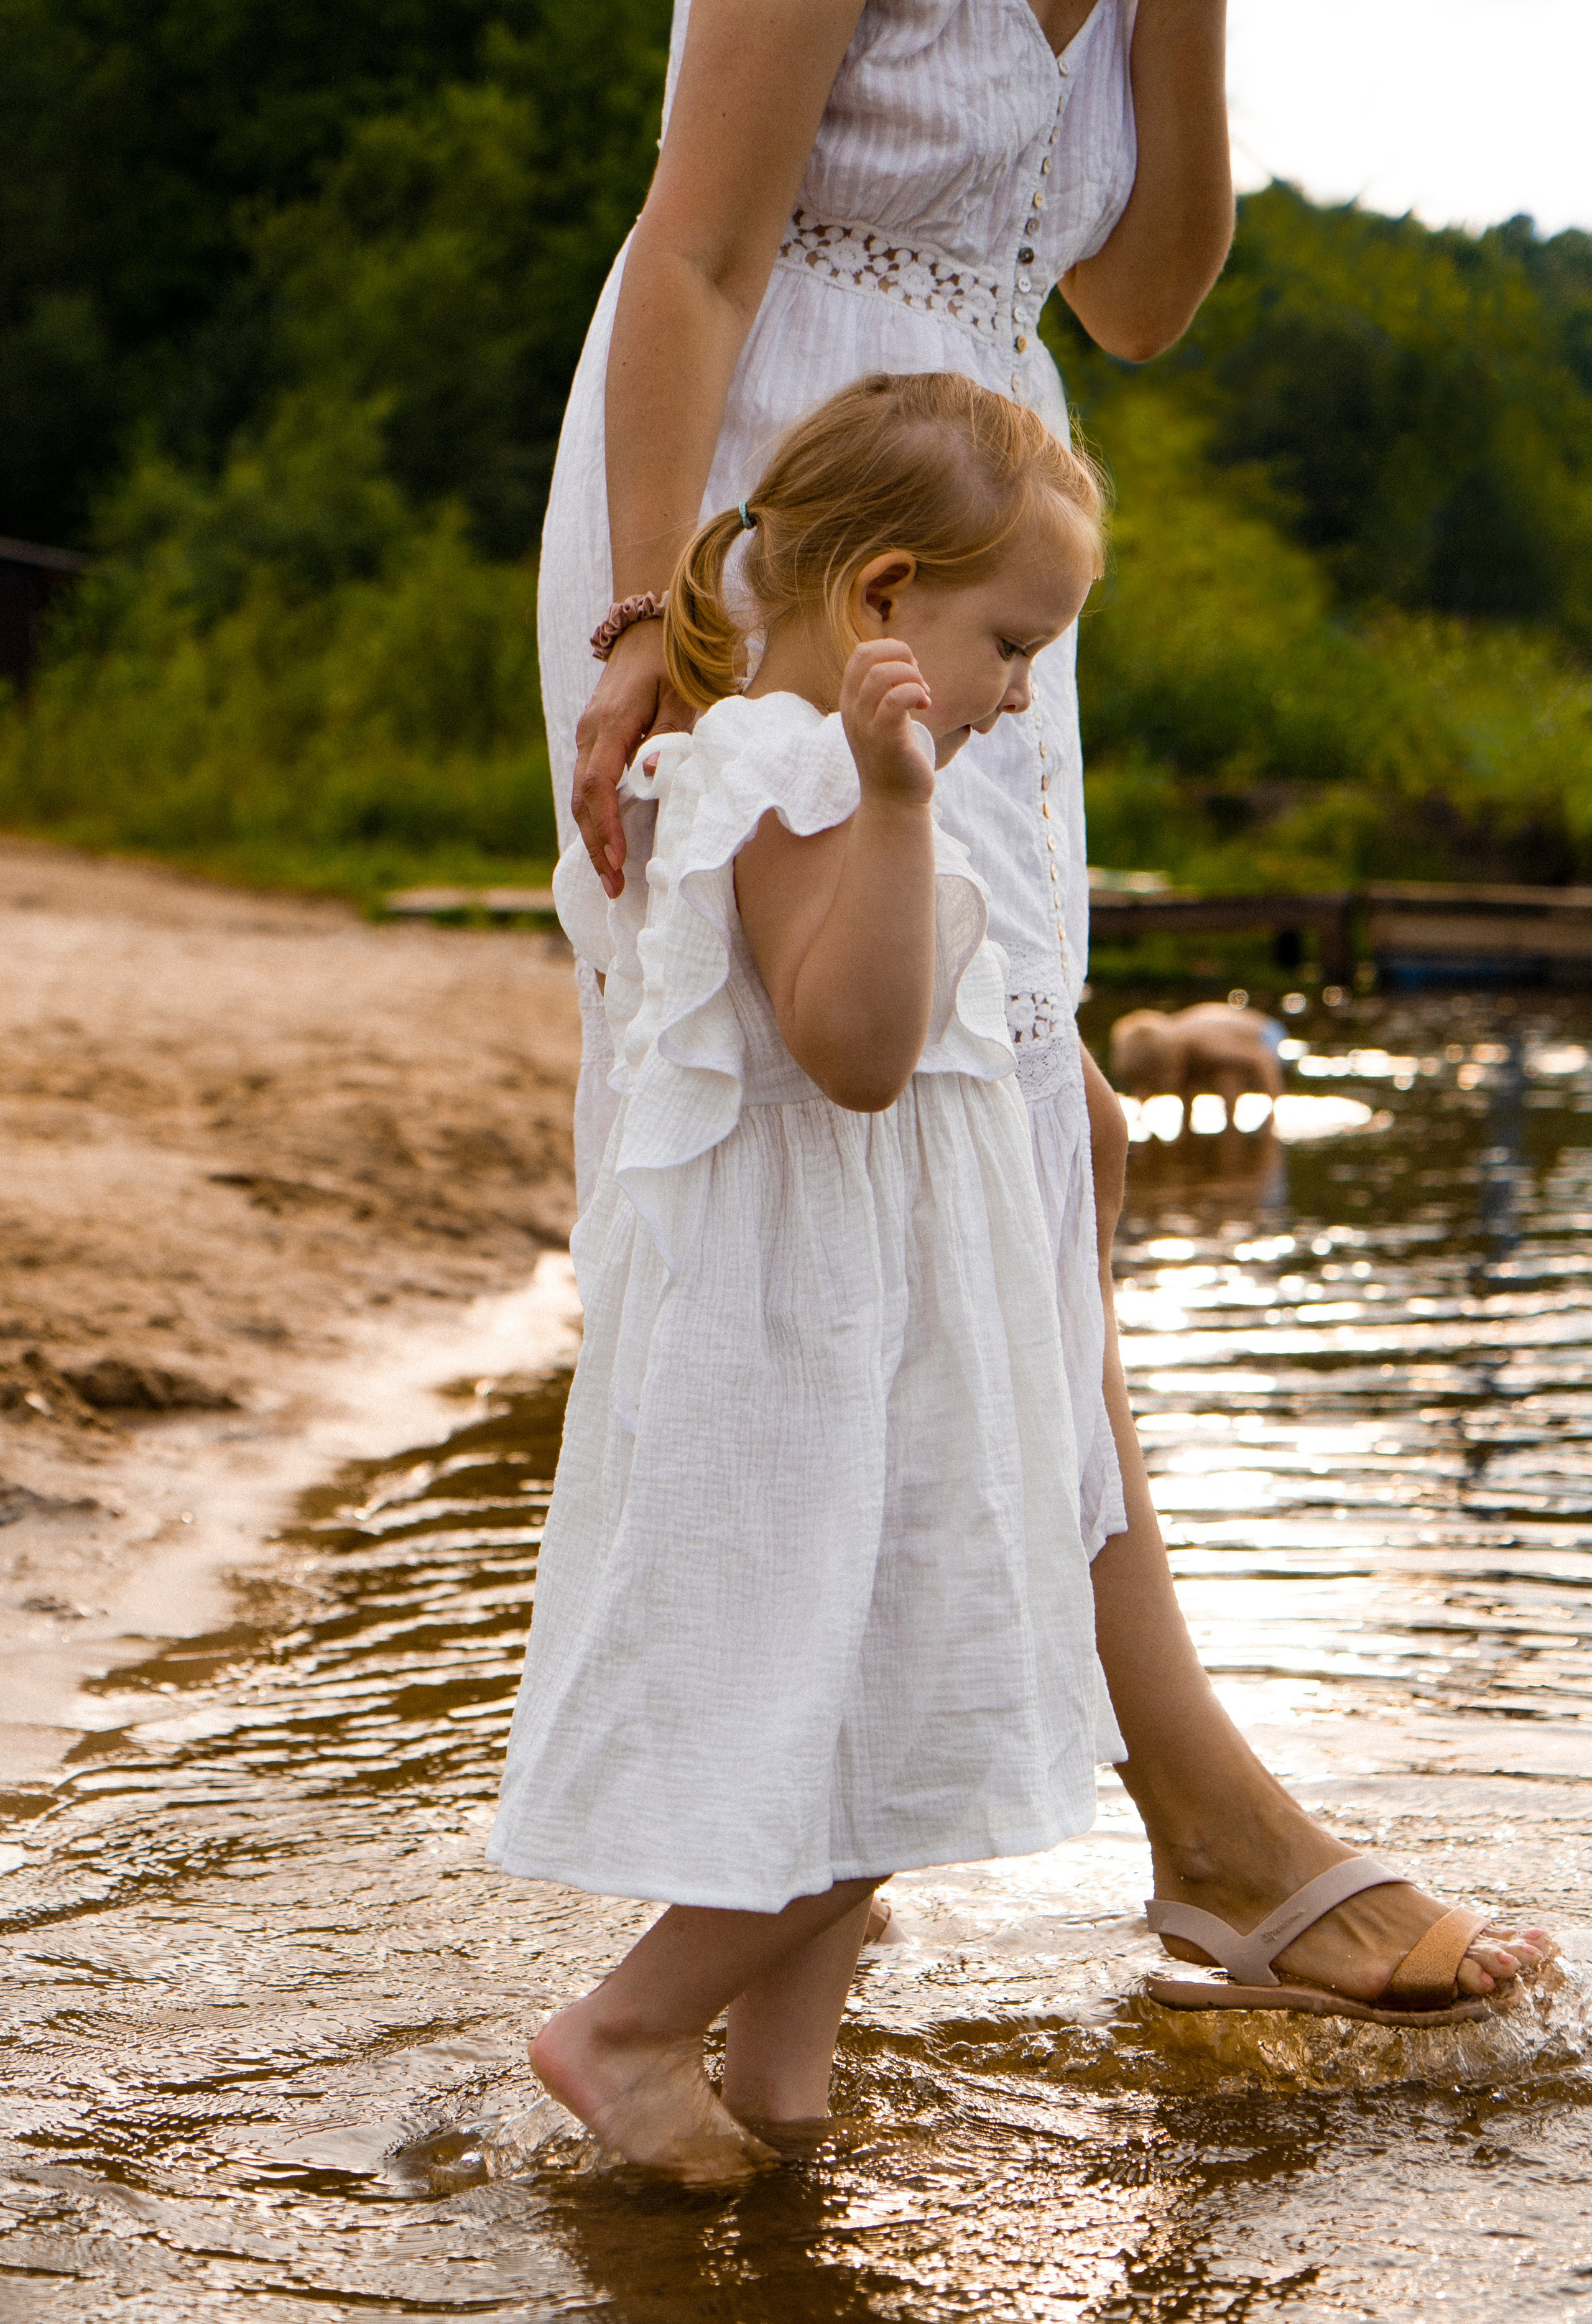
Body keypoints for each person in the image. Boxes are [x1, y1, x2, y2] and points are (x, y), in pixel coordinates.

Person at [537, 0, 1550, 2014]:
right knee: (876, 1162)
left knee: (1029, 1146)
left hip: (993, 543)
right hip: (786, 528)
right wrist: (657, 615)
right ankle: (1173, 1828)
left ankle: (817, 1864)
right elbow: (700, 250)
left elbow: (1144, 299)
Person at [491, 376, 1119, 2180]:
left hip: (887, 1327)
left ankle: (783, 2096)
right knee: (901, 1719)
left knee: (870, 1705)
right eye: (1014, 644)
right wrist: (903, 806)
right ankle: (624, 2031)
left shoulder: (826, 765)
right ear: (884, 596)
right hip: (827, 1339)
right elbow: (852, 1052)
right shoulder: (787, 771)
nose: (1022, 693)